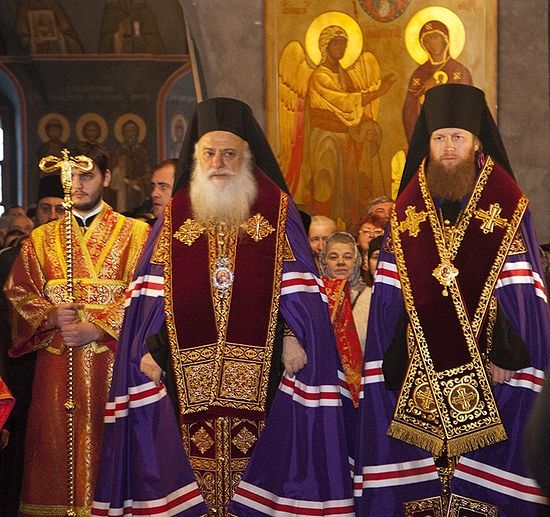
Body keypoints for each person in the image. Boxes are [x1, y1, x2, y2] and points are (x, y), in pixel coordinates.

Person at [93, 97, 354, 516]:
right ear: (196, 157)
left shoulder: (276, 208)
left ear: (246, 156)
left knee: (262, 466)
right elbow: (153, 292)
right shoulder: (177, 211)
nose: (218, 163)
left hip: (265, 364)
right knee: (189, 462)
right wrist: (150, 348)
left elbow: (299, 288)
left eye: (229, 154)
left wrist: (294, 338)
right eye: (209, 153)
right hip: (185, 367)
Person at [354, 84, 550, 516]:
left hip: (490, 364)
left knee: (483, 472)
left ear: (476, 142)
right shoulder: (408, 207)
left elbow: (520, 288)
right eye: (439, 138)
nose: (447, 147)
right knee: (423, 475)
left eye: (457, 137)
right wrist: (393, 353)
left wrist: (506, 350)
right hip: (418, 364)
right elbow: (391, 294)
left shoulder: (507, 203)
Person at [4, 142, 150, 517]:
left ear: (106, 177)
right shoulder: (40, 239)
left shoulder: (137, 234)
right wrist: (50, 316)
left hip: (114, 366)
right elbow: (18, 293)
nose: (77, 185)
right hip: (57, 369)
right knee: (53, 450)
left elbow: (149, 295)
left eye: (87, 176)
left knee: (114, 448)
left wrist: (98, 328)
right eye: (69, 177)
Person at [278, 20, 396, 226]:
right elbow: (345, 102)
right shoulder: (319, 76)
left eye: (344, 43)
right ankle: (322, 228)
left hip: (346, 138)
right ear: (325, 46)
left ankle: (352, 229)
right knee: (326, 180)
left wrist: (367, 125)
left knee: (350, 186)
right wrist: (379, 91)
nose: (342, 48)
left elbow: (353, 109)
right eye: (337, 43)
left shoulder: (344, 76)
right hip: (325, 138)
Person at [0, 174, 64, 516]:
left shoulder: (77, 260)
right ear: (34, 211)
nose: (52, 216)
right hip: (18, 375)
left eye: (60, 209)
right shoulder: (11, 258)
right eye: (45, 209)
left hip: (62, 373)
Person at [403, 19, 473, 143]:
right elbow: (409, 110)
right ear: (422, 44)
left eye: (435, 37)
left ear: (445, 39)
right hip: (428, 135)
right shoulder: (419, 74)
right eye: (427, 39)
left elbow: (467, 107)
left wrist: (439, 93)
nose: (432, 42)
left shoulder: (459, 70)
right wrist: (423, 96)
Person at [319, 231, 366, 406]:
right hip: (325, 382)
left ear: (356, 261)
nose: (340, 262)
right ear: (324, 262)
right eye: (333, 257)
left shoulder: (371, 296)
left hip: (363, 385)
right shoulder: (316, 297)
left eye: (347, 257)